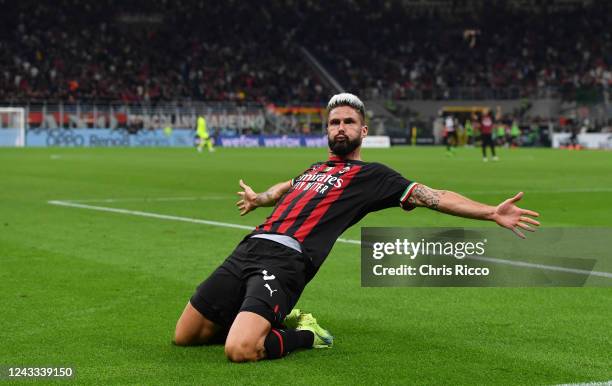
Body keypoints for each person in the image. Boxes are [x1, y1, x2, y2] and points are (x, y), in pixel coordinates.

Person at [173, 93, 540, 362]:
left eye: (348, 122)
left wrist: (491, 212)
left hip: (286, 262)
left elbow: (433, 195)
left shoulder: (372, 176)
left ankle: (304, 335)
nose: (341, 127)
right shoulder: (314, 169)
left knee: (240, 350)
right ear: (327, 131)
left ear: (363, 130)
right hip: (248, 248)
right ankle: (256, 318)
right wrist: (259, 198)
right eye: (334, 122)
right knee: (185, 336)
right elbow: (284, 189)